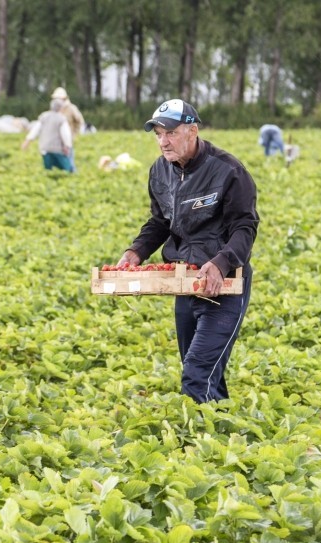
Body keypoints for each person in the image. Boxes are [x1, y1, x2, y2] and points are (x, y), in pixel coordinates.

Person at [115, 99, 258, 402]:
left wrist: (221, 264)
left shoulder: (228, 170)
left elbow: (245, 227)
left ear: (192, 131)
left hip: (225, 284)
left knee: (197, 373)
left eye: (170, 133)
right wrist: (136, 251)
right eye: (157, 134)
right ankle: (220, 434)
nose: (163, 142)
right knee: (205, 373)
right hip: (186, 280)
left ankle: (194, 443)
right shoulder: (159, 171)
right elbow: (160, 221)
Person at [21, 99, 73, 173]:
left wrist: (27, 141)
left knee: (48, 170)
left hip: (45, 148)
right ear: (61, 108)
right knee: (67, 169)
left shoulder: (44, 116)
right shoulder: (61, 119)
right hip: (58, 149)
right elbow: (66, 135)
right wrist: (67, 146)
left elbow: (35, 130)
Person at [50, 87, 85, 169]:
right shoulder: (54, 108)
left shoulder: (71, 108)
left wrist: (75, 133)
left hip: (68, 139)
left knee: (69, 160)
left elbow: (80, 121)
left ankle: (72, 174)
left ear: (64, 98)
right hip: (56, 140)